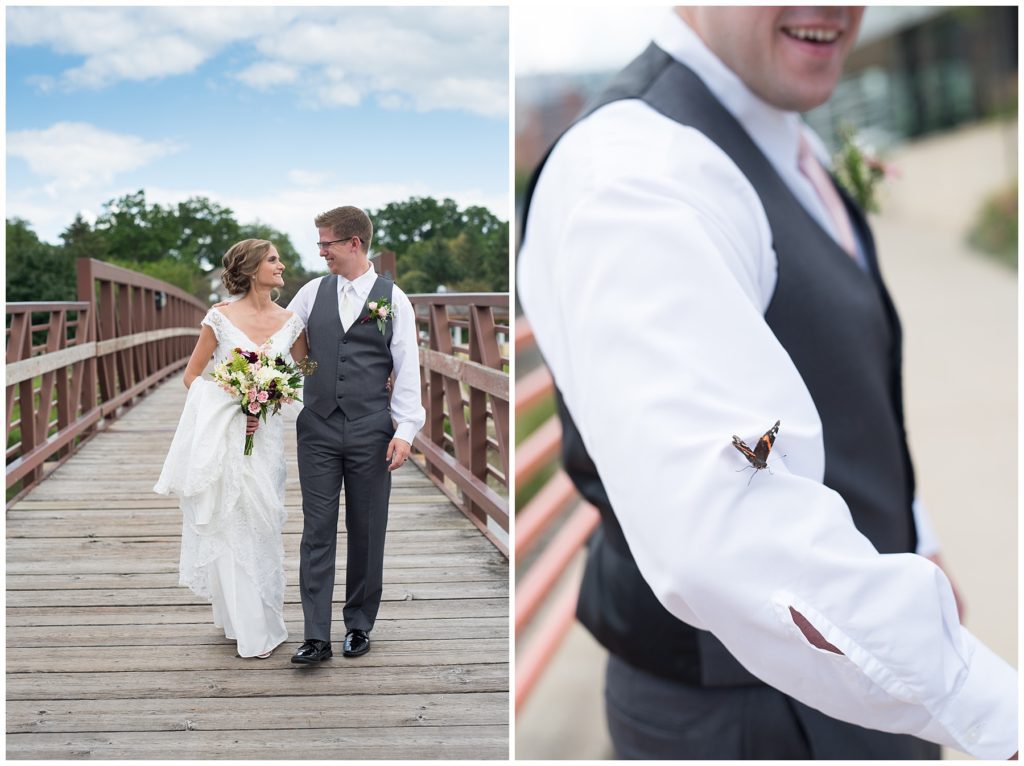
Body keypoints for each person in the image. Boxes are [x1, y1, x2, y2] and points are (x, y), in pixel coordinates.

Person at [518, 6, 1017, 760]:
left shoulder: (777, 124)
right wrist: (991, 711)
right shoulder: (633, 170)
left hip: (852, 673)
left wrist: (916, 539)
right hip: (747, 719)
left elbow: (848, 380)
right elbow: (734, 531)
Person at [282, 205, 425, 664]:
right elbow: (284, 339)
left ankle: (359, 624)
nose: (320, 250)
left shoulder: (392, 298)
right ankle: (316, 635)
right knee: (316, 531)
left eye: (326, 243)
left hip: (371, 429)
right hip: (318, 427)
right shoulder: (310, 292)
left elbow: (406, 367)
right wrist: (310, 376)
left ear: (353, 244)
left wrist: (405, 430)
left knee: (367, 530)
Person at [155, 239, 306, 659]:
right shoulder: (218, 318)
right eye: (273, 260)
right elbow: (191, 376)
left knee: (264, 519)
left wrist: (272, 396)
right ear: (253, 267)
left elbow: (307, 370)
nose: (281, 265)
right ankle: (246, 624)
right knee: (230, 519)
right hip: (227, 437)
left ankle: (262, 612)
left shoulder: (292, 321)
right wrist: (235, 400)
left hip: (267, 439)